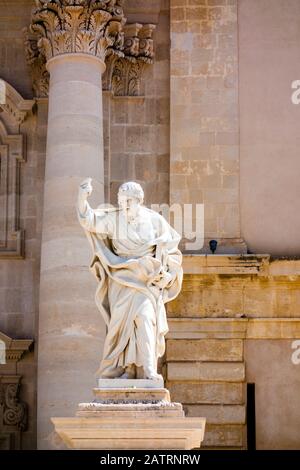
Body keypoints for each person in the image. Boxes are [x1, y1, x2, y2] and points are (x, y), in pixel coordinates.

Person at [77, 178, 183, 381]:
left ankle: (150, 370)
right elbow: (88, 220)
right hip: (121, 278)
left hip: (145, 281)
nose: (124, 205)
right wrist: (82, 197)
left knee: (144, 319)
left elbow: (172, 251)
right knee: (120, 326)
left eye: (128, 201)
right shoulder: (114, 220)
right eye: (121, 200)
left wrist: (168, 274)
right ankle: (128, 369)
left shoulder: (155, 221)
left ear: (139, 200)